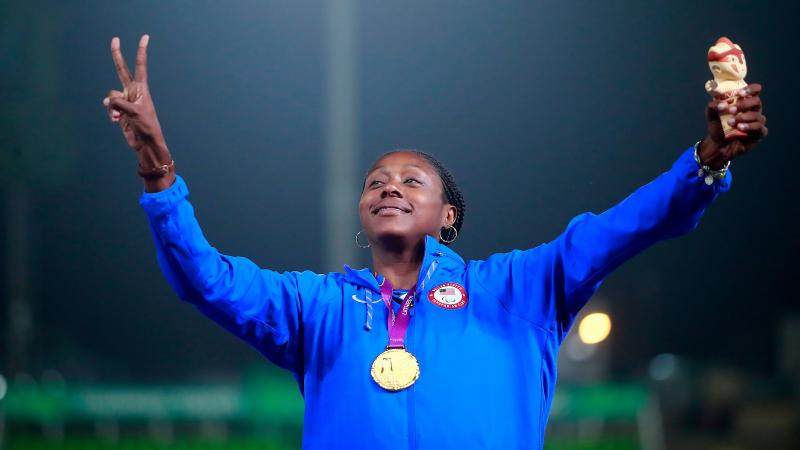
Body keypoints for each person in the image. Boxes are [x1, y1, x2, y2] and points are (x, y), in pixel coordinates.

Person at [103, 35, 767, 449]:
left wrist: (705, 161)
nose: (389, 187)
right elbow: (206, 280)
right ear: (362, 211)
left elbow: (623, 227)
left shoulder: (517, 289)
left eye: (411, 181)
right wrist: (160, 174)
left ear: (448, 215)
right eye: (376, 181)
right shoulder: (318, 308)